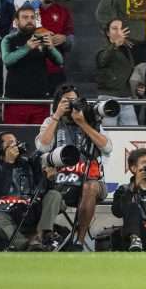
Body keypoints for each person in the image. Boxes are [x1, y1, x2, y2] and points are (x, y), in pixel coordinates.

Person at [35, 84, 112, 250]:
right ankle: (43, 238)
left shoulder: (90, 120)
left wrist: (83, 124)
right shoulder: (51, 121)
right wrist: (57, 115)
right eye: (66, 101)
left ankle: (78, 240)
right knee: (51, 194)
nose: (71, 104)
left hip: (89, 183)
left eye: (74, 100)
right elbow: (42, 147)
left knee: (89, 186)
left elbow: (107, 148)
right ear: (57, 103)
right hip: (60, 185)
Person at [0, 131, 65, 251]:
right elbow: (2, 190)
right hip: (9, 215)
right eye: (11, 143)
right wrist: (8, 164)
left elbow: (42, 191)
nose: (16, 145)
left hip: (32, 211)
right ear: (0, 149)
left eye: (16, 142)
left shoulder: (28, 163)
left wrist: (48, 179)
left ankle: (42, 235)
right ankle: (28, 246)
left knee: (54, 195)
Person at [1, 4, 63, 124]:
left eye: (32, 17)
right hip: (15, 100)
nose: (29, 20)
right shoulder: (9, 39)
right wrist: (26, 48)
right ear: (16, 21)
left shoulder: (42, 38)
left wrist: (51, 47)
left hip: (40, 100)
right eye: (25, 17)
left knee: (39, 138)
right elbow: (7, 60)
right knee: (15, 137)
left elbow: (59, 61)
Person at [95, 18, 139, 126]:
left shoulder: (127, 48)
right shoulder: (103, 48)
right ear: (107, 33)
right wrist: (114, 45)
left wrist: (137, 86)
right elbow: (102, 61)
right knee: (108, 135)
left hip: (126, 97)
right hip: (108, 97)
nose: (119, 32)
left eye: (121, 29)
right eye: (114, 29)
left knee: (132, 133)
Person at [34, 0, 72, 90]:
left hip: (55, 70)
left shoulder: (63, 11)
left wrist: (65, 39)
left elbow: (71, 37)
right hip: (32, 68)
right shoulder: (27, 9)